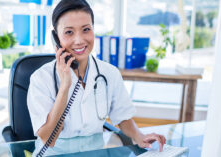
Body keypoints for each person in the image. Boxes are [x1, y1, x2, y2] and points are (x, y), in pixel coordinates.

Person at [27, 0, 166, 156]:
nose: (79, 40)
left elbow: (122, 117)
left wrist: (140, 137)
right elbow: (48, 139)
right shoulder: (41, 78)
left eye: (86, 29)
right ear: (56, 38)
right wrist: (65, 87)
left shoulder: (109, 73)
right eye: (69, 32)